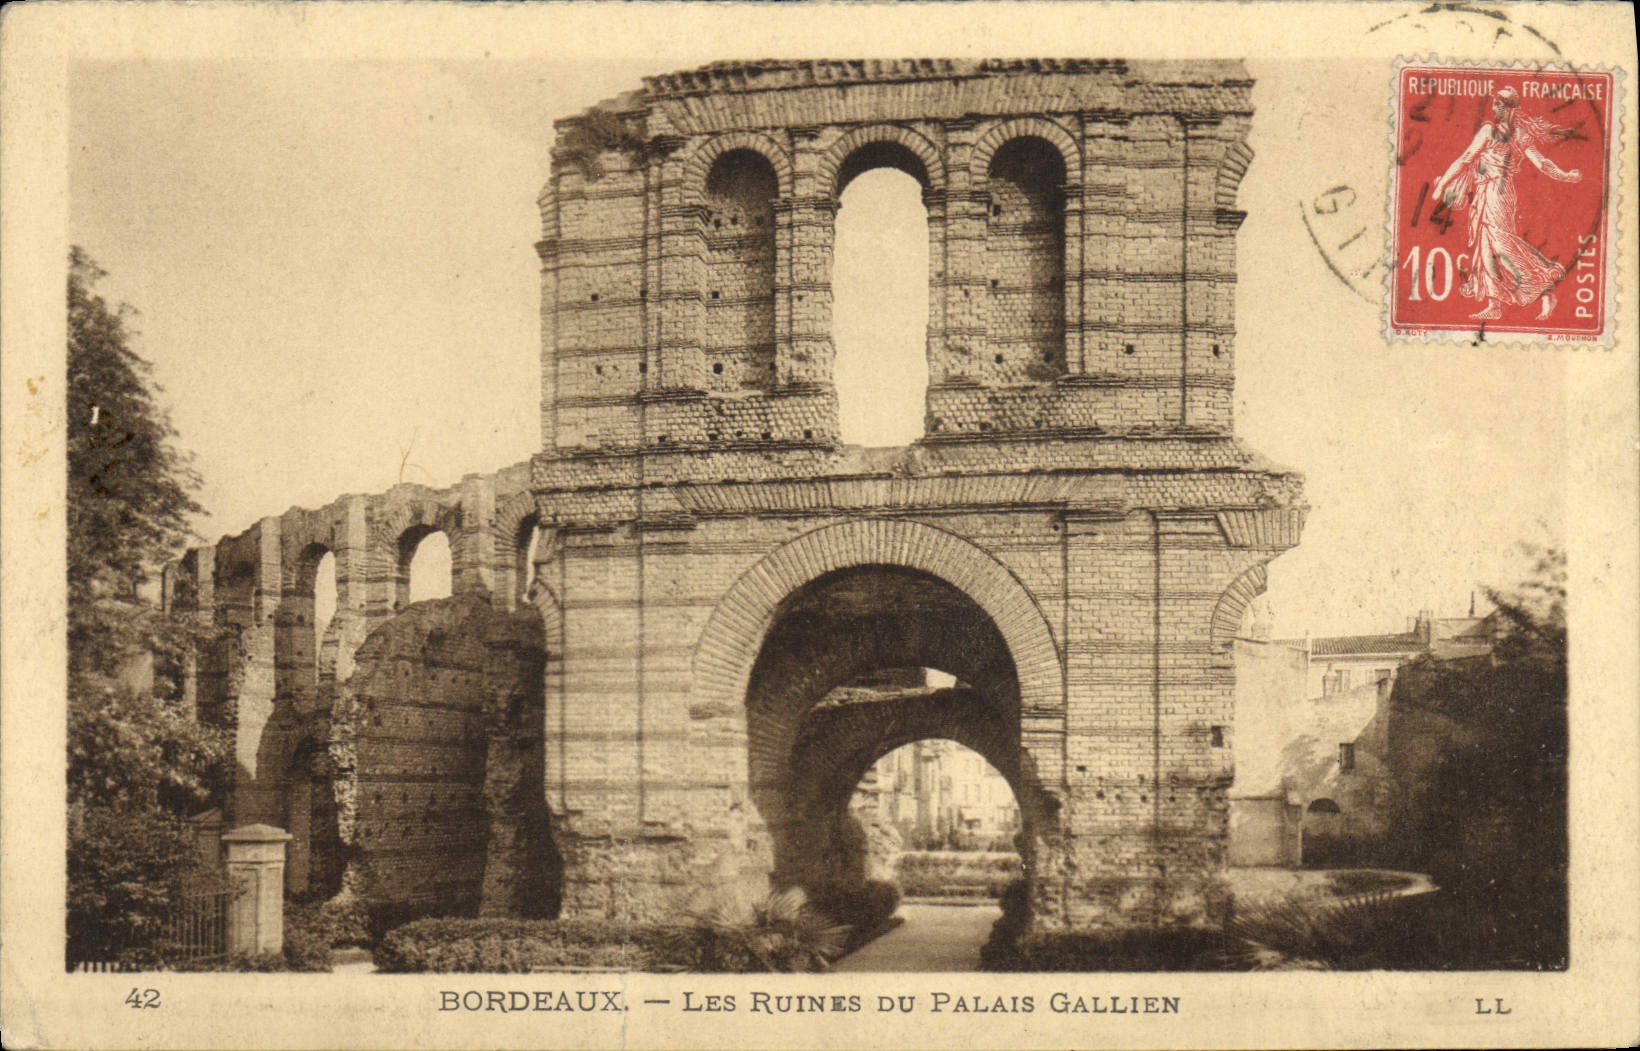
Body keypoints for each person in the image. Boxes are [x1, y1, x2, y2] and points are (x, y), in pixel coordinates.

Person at [1430, 86, 1582, 321]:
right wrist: (1442, 185)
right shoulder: (1489, 130)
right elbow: (1466, 158)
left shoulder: (1518, 134)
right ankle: (1495, 304)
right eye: (1493, 104)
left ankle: (1545, 288)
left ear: (1509, 108)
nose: (1493, 108)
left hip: (1499, 193)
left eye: (1498, 105)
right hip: (1484, 192)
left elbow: (1541, 163)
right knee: (1485, 247)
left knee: (1501, 245)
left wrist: (1566, 176)